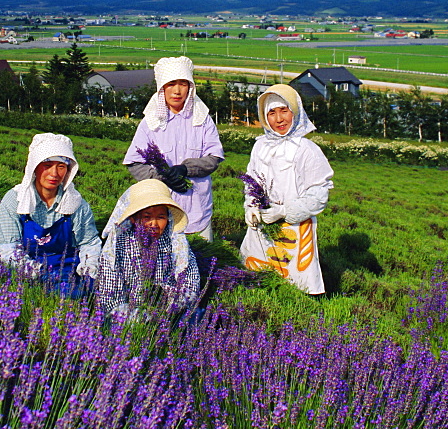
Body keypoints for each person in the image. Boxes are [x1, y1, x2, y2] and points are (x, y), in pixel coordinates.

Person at [240, 84, 333, 294]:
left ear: (295, 111)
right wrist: (252, 207)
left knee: (295, 281)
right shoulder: (260, 146)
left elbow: (319, 194)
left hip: (296, 226)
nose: (279, 119)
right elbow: (252, 181)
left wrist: (284, 211)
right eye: (272, 113)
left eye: (284, 110)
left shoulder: (307, 150)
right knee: (258, 277)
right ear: (264, 117)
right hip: (263, 224)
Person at [123, 56, 224, 241]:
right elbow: (134, 163)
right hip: (160, 211)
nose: (177, 91)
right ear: (162, 88)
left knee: (202, 261)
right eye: (171, 84)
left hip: (197, 207)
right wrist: (163, 178)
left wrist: (186, 169)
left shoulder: (202, 120)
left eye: (183, 84)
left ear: (190, 87)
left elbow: (214, 157)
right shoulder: (151, 123)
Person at [0, 133, 101, 298]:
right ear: (34, 166)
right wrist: (38, 273)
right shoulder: (15, 200)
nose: (54, 173)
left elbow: (89, 243)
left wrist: (88, 272)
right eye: (47, 165)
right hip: (27, 270)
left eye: (61, 166)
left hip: (67, 270)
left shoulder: (76, 203)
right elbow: (8, 248)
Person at [96, 179, 201, 321]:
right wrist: (140, 317)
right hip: (127, 315)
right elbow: (110, 295)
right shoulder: (118, 245)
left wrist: (171, 307)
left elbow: (190, 281)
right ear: (133, 218)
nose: (154, 224)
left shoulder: (176, 243)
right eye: (147, 217)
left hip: (169, 311)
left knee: (196, 316)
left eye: (161, 217)